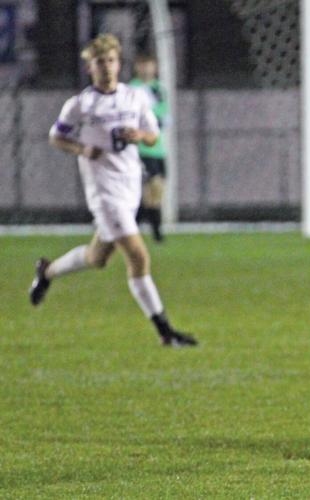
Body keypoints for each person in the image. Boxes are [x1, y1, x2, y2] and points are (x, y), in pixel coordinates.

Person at [29, 33, 197, 347]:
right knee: (138, 256)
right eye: (99, 62)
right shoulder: (80, 104)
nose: (106, 67)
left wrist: (139, 135)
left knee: (97, 257)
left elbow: (152, 134)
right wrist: (82, 149)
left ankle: (47, 271)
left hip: (129, 184)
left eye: (110, 61)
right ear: (90, 67)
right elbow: (56, 137)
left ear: (119, 64)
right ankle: (166, 332)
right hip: (104, 192)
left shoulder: (134, 97)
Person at [129, 53, 167, 242]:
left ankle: (144, 228)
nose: (146, 69)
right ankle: (152, 232)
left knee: (157, 191)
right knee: (149, 189)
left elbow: (163, 115)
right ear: (137, 67)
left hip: (158, 148)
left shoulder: (159, 88)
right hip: (140, 150)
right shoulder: (132, 89)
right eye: (142, 65)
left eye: (149, 65)